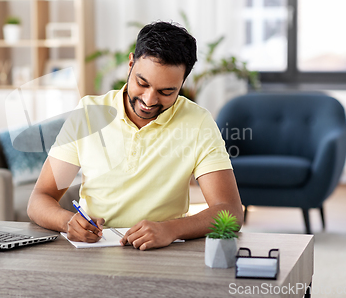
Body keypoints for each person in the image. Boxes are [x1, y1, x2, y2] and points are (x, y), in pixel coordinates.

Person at [28, 21, 243, 251]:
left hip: (161, 253)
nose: (149, 100)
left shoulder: (198, 122)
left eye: (166, 91)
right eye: (142, 83)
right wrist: (67, 222)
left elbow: (230, 212)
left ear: (182, 84)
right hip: (92, 253)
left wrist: (172, 229)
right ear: (130, 64)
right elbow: (39, 199)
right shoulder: (89, 113)